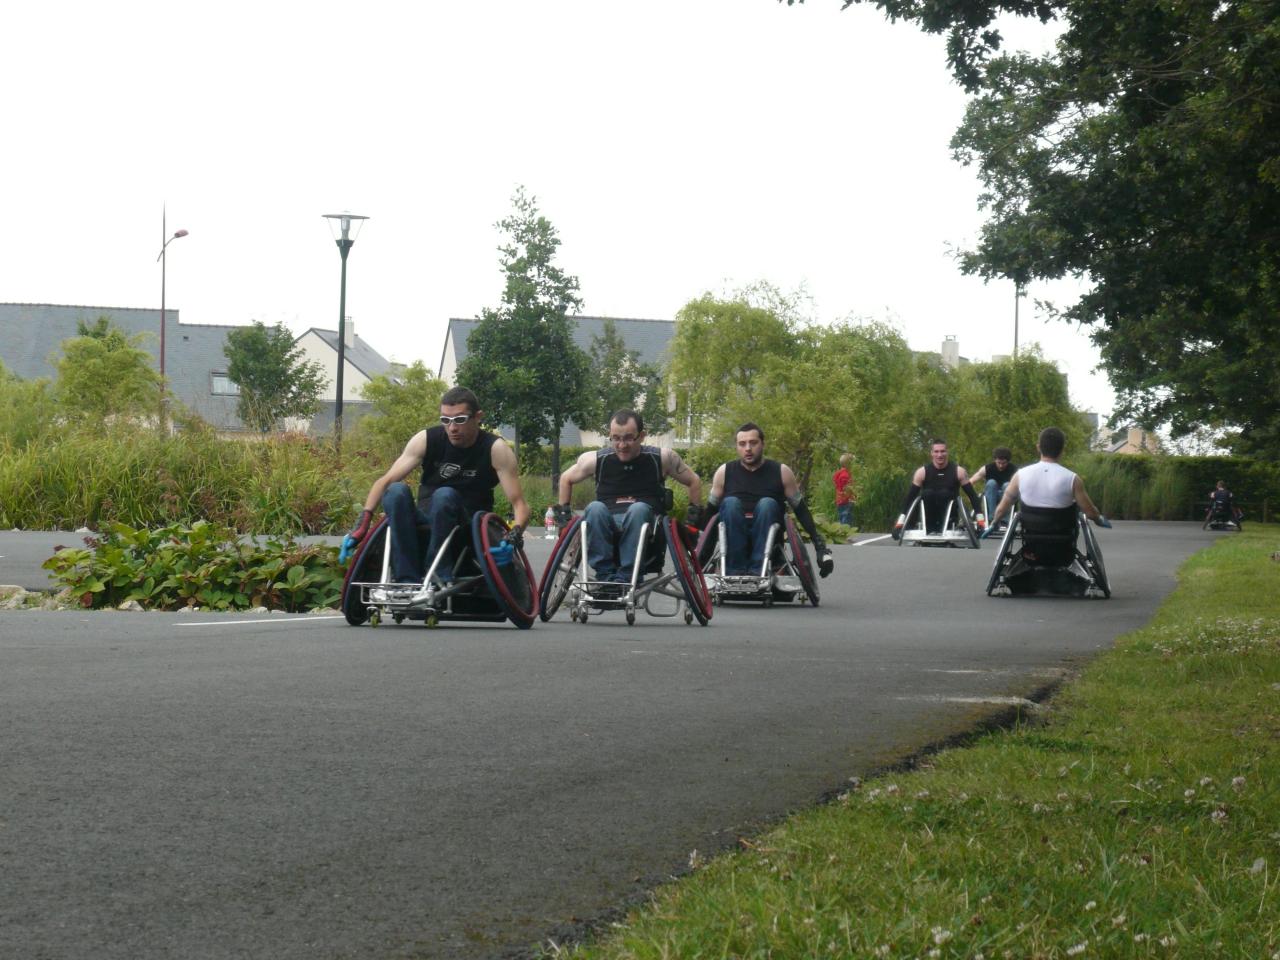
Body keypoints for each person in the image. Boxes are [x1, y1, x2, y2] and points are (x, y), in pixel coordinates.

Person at [338, 386, 531, 591]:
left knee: (444, 494)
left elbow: (520, 504)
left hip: (467, 526)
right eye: (445, 420)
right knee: (395, 491)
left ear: (478, 417)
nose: (452, 428)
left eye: (460, 420)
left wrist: (513, 536)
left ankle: (438, 574)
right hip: (426, 519)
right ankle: (406, 580)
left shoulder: (495, 449)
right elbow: (384, 482)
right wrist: (362, 524)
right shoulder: (426, 439)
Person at [556, 409, 703, 584]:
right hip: (607, 520)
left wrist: (692, 523)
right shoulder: (596, 460)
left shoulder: (662, 458)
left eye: (628, 438)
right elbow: (565, 479)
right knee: (594, 508)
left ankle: (627, 576)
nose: (622, 445)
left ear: (642, 436)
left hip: (647, 522)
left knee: (638, 508)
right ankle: (605, 576)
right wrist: (564, 519)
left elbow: (694, 481)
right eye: (616, 438)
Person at [707, 422, 834, 578]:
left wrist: (819, 547)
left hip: (769, 534)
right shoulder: (724, 472)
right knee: (731, 503)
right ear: (737, 447)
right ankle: (735, 572)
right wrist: (697, 552)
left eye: (753, 443)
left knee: (767, 503)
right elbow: (709, 515)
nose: (748, 448)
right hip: (734, 533)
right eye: (742, 444)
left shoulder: (782, 472)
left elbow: (800, 510)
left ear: (763, 444)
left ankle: (758, 571)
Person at [986, 426, 1110, 533]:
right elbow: (1090, 512)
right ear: (1062, 450)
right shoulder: (1073, 479)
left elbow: (1002, 509)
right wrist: (1099, 519)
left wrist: (994, 523)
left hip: (1030, 537)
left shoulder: (1020, 475)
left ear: (1038, 447)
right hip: (1063, 540)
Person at [895, 439, 982, 538]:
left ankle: (944, 526)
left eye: (942, 451)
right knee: (927, 493)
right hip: (928, 515)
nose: (939, 455)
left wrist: (981, 521)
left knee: (944, 493)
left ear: (947, 452)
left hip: (950, 514)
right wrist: (900, 523)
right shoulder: (922, 472)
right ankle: (924, 527)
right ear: (931, 453)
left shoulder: (959, 472)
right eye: (936, 451)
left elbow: (973, 496)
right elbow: (910, 499)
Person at [969, 446, 1017, 524]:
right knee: (991, 483)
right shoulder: (987, 468)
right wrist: (972, 496)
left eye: (1003, 463)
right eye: (999, 463)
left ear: (1008, 462)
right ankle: (992, 517)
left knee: (1007, 485)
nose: (1001, 466)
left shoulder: (1014, 470)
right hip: (991, 495)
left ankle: (1005, 520)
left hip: (1007, 496)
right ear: (995, 460)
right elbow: (970, 482)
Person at [833, 453, 854, 527]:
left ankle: (843, 534)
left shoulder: (838, 474)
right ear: (848, 464)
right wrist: (851, 497)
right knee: (846, 516)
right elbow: (847, 487)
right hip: (846, 499)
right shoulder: (845, 475)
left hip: (839, 498)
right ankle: (846, 534)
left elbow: (836, 484)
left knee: (842, 516)